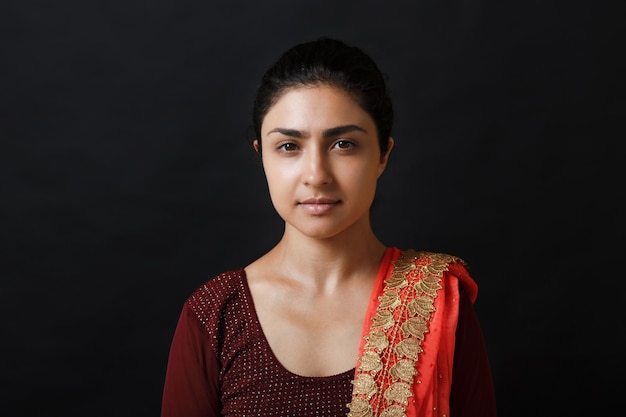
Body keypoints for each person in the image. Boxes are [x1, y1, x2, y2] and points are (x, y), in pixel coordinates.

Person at [160, 37, 497, 417]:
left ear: (383, 153)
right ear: (262, 156)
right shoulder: (215, 314)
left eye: (343, 144)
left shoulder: (437, 300)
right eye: (289, 146)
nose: (316, 175)